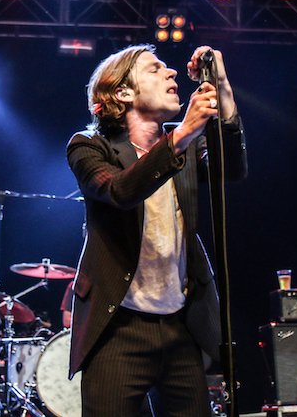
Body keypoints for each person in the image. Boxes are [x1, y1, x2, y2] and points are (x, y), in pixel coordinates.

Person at [66, 44, 247, 417]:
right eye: (154, 69)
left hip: (180, 323)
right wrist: (182, 135)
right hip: (118, 327)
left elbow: (232, 169)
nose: (172, 73)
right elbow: (120, 191)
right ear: (123, 92)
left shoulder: (185, 145)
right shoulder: (88, 146)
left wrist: (223, 88)